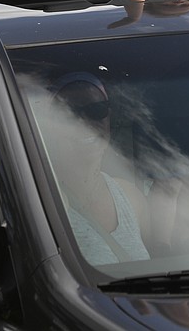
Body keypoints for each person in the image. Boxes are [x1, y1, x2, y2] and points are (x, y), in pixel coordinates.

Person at [47, 72, 151, 265]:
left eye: (97, 110)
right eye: (72, 113)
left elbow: (163, 267)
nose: (86, 123)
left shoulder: (131, 197)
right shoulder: (43, 203)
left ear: (109, 117)